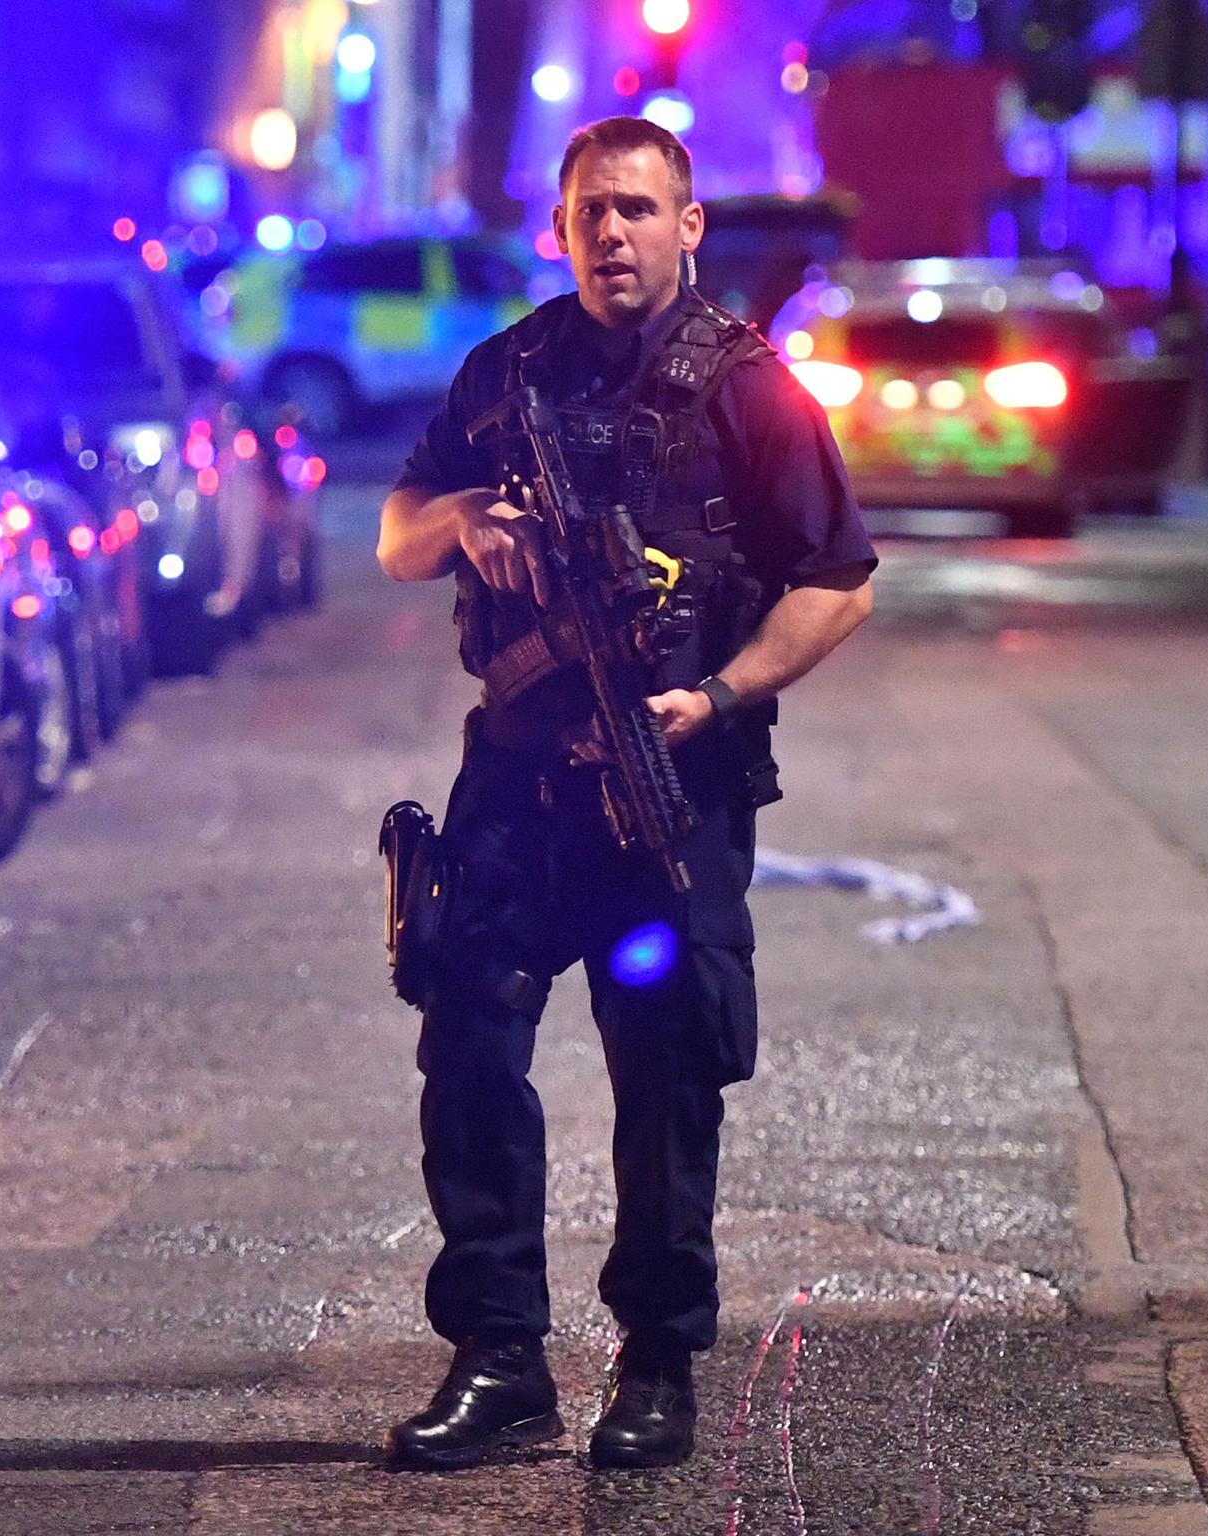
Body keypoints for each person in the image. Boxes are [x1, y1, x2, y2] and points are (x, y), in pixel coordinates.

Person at [375, 116, 876, 1472]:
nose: (615, 234)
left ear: (688, 226)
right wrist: (468, 522)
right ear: (561, 224)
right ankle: (498, 1355)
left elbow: (841, 579)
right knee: (469, 1038)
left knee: (665, 1072)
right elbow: (400, 531)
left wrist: (721, 695)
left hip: (674, 784)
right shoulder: (509, 368)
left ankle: (656, 1364)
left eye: (641, 211)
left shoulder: (752, 390)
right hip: (518, 781)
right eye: (594, 210)